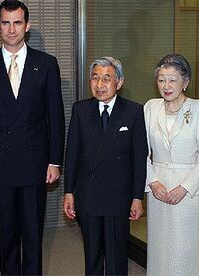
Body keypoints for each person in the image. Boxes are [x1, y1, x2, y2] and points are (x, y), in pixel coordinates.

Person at [0, 0, 65, 274]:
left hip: (36, 165)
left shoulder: (46, 64)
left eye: (17, 22)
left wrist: (54, 161)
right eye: (6, 23)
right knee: (7, 237)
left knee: (33, 237)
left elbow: (55, 116)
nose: (12, 29)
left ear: (27, 26)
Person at [63, 57, 148, 275]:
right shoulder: (80, 110)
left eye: (106, 78)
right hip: (88, 195)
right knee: (92, 255)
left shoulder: (134, 111)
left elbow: (140, 158)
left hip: (118, 197)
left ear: (119, 83)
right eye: (95, 77)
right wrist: (69, 192)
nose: (100, 84)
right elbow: (72, 154)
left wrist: (137, 197)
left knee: (117, 256)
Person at [144, 54, 199, 276]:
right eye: (162, 79)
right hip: (158, 190)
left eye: (172, 80)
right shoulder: (150, 107)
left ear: (185, 82)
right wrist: (153, 182)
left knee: (186, 252)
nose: (166, 86)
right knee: (159, 250)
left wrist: (183, 188)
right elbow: (140, 152)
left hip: (190, 194)